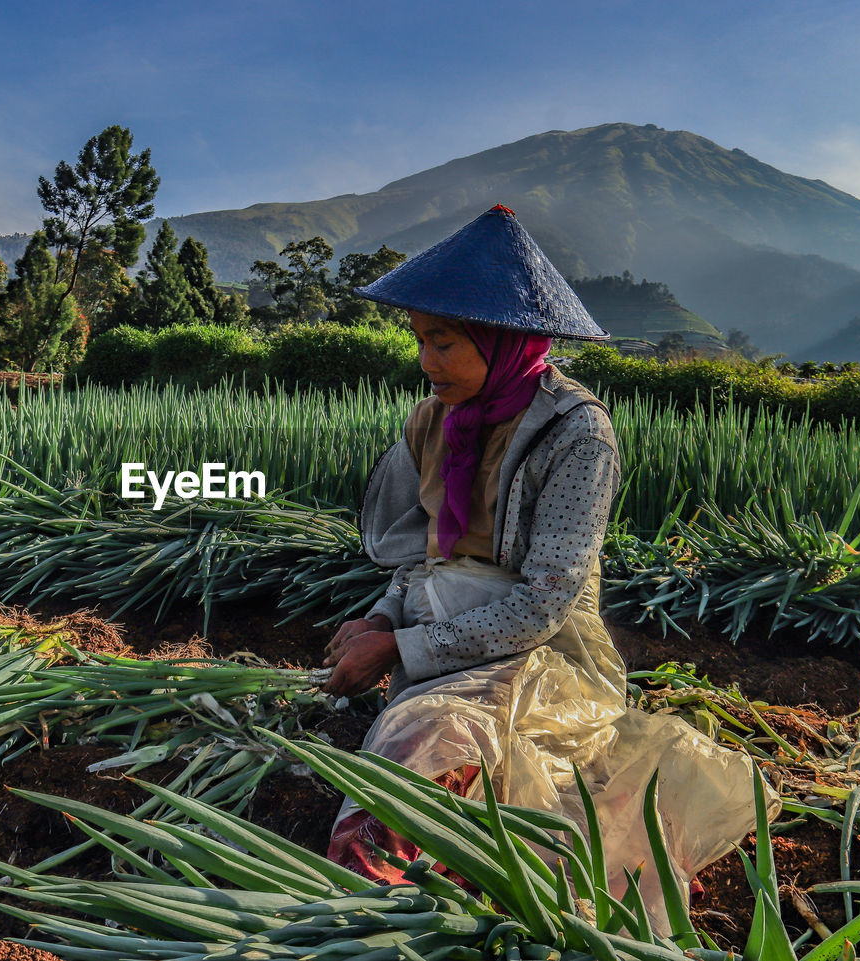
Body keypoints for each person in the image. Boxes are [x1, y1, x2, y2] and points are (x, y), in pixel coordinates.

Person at [321, 205, 770, 929]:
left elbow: (541, 606)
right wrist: (378, 617)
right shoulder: (433, 421)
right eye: (420, 341)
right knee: (427, 742)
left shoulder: (576, 433)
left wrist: (399, 649)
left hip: (539, 652)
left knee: (430, 740)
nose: (426, 362)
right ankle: (400, 903)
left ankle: (404, 914)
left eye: (443, 343)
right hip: (441, 634)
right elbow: (425, 554)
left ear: (502, 342)